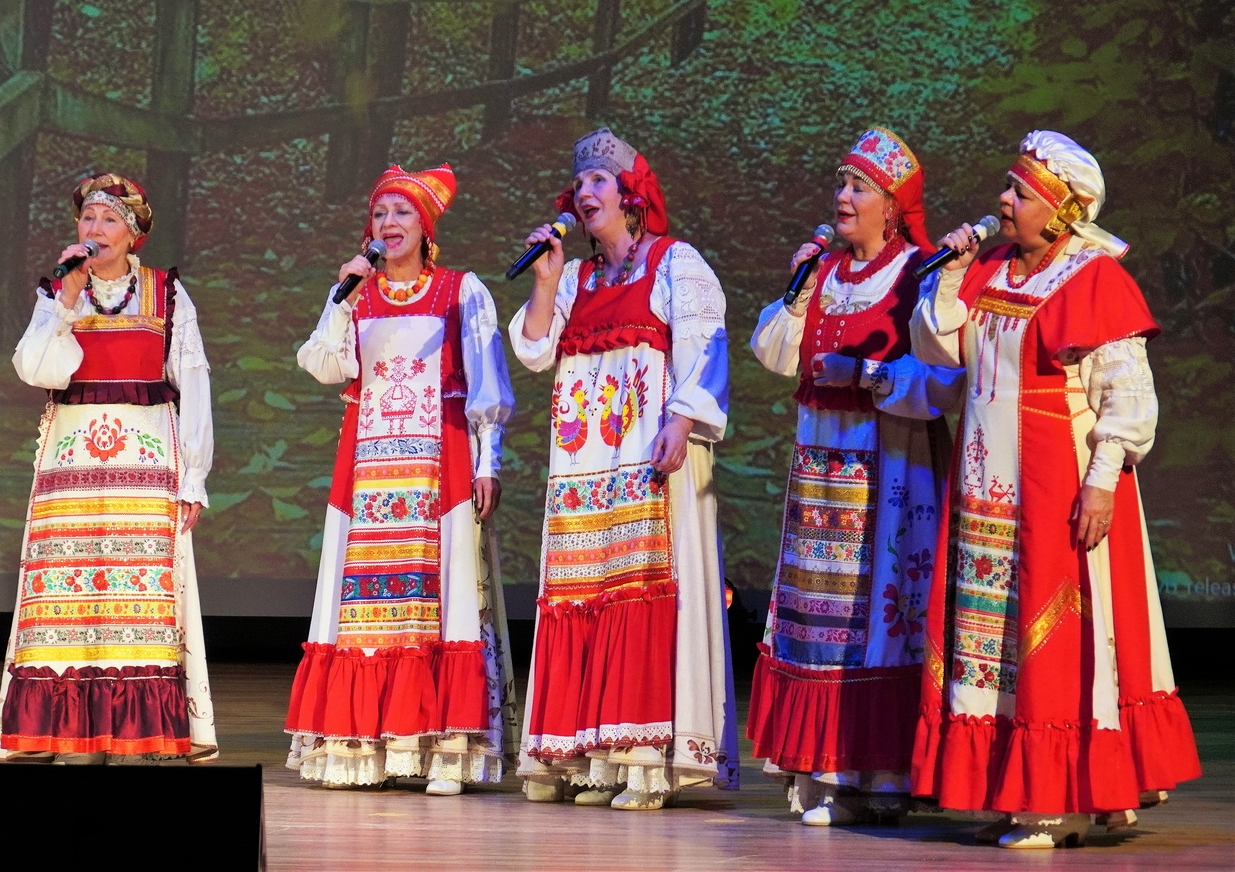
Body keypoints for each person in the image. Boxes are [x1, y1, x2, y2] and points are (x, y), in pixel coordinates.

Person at [877, 131, 1201, 847]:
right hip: (985, 488)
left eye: (1019, 192)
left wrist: (1102, 481)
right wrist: (950, 275)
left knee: (1054, 633)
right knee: (990, 636)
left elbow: (1126, 396)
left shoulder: (1092, 278)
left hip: (1057, 484)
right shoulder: (991, 267)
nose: (1003, 200)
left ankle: (1056, 801)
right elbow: (942, 350)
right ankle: (1020, 788)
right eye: (1008, 186)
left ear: (1061, 212)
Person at [510, 129, 736, 810]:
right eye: (578, 183)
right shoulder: (574, 278)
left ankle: (644, 761)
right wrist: (545, 281)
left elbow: (706, 347)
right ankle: (593, 758)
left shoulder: (674, 262)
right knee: (585, 594)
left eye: (599, 181)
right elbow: (534, 349)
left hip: (647, 459)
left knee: (640, 591)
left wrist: (682, 421)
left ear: (631, 196)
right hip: (586, 470)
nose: (585, 193)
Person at [285, 164, 518, 796]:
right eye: (380, 213)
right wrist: (341, 301)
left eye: (402, 212)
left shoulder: (461, 291)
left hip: (438, 468)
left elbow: (488, 385)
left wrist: (488, 462)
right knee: (364, 605)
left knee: (441, 602)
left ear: (426, 227)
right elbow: (323, 365)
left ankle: (444, 747)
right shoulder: (356, 295)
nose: (389, 224)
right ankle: (362, 744)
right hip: (368, 471)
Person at [745, 128, 952, 825]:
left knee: (881, 610)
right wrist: (798, 291)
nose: (843, 196)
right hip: (821, 464)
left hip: (890, 466)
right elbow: (775, 354)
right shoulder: (825, 274)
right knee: (820, 611)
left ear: (892, 206)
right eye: (841, 182)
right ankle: (827, 765)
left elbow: (945, 378)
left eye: (859, 186)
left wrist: (864, 374)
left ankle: (885, 772)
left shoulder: (920, 273)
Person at [0, 174, 217, 764]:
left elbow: (193, 383)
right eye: (88, 218)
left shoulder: (166, 292)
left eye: (110, 219)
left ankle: (138, 733)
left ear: (134, 234)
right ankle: (63, 731)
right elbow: (36, 369)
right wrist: (64, 303)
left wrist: (193, 476)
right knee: (67, 594)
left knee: (138, 596)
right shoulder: (57, 292)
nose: (96, 229)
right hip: (71, 467)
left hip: (145, 466)